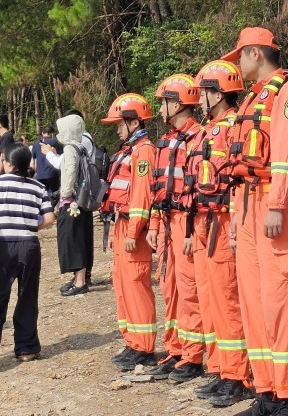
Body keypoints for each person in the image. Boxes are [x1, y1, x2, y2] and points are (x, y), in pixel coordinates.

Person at [224, 27, 288, 416]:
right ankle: (268, 393)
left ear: (256, 54)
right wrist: (233, 216)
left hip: (274, 204)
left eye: (240, 57)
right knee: (255, 303)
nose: (237, 64)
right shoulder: (252, 99)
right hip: (246, 207)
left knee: (281, 298)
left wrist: (276, 203)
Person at [188, 60, 252, 407]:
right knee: (212, 300)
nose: (199, 99)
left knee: (227, 301)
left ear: (219, 94)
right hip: (204, 221)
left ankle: (237, 376)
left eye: (205, 92)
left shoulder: (231, 128)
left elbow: (239, 178)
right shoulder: (210, 129)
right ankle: (221, 368)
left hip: (223, 220)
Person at [0, 143, 55, 370]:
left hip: (3, 246)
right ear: (28, 164)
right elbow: (50, 218)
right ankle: (26, 348)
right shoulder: (38, 187)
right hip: (29, 246)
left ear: (8, 163)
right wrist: (31, 226)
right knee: (27, 295)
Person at [147, 74, 206, 383]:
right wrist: (155, 225)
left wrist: (188, 232)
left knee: (189, 289)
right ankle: (176, 348)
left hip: (186, 221)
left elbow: (198, 189)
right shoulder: (168, 140)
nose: (160, 109)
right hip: (168, 220)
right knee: (169, 287)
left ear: (179, 104)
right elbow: (160, 190)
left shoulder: (199, 137)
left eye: (164, 103)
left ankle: (193, 355)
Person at [100, 94, 159, 372]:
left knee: (136, 286)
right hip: (122, 224)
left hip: (134, 229)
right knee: (123, 286)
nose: (118, 129)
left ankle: (144, 347)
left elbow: (142, 196)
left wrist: (134, 232)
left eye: (120, 123)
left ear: (134, 121)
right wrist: (116, 230)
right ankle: (132, 341)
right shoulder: (130, 150)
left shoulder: (144, 151)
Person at [52, 112, 93, 297]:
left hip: (72, 203)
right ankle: (79, 278)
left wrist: (64, 195)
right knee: (80, 239)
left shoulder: (69, 149)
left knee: (71, 241)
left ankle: (80, 281)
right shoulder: (81, 147)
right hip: (82, 201)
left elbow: (69, 173)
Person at [31, 125, 62, 194]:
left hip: (39, 175)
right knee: (55, 196)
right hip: (52, 174)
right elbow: (61, 156)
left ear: (42, 133)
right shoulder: (54, 142)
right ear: (51, 133)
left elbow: (34, 159)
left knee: (41, 195)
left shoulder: (35, 144)